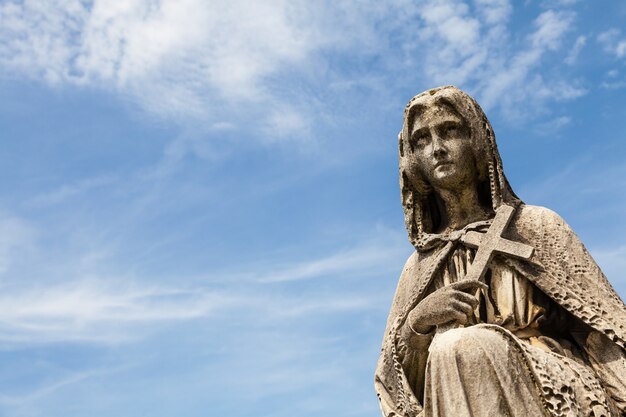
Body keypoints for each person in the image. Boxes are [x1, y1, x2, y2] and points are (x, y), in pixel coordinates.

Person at [374, 86, 626, 417]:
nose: (437, 148)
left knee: (460, 347)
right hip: (449, 387)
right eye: (422, 140)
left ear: (477, 141)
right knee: (451, 348)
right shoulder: (419, 266)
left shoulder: (536, 226)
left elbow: (602, 329)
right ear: (413, 163)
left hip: (548, 378)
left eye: (449, 131)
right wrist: (418, 324)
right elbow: (392, 381)